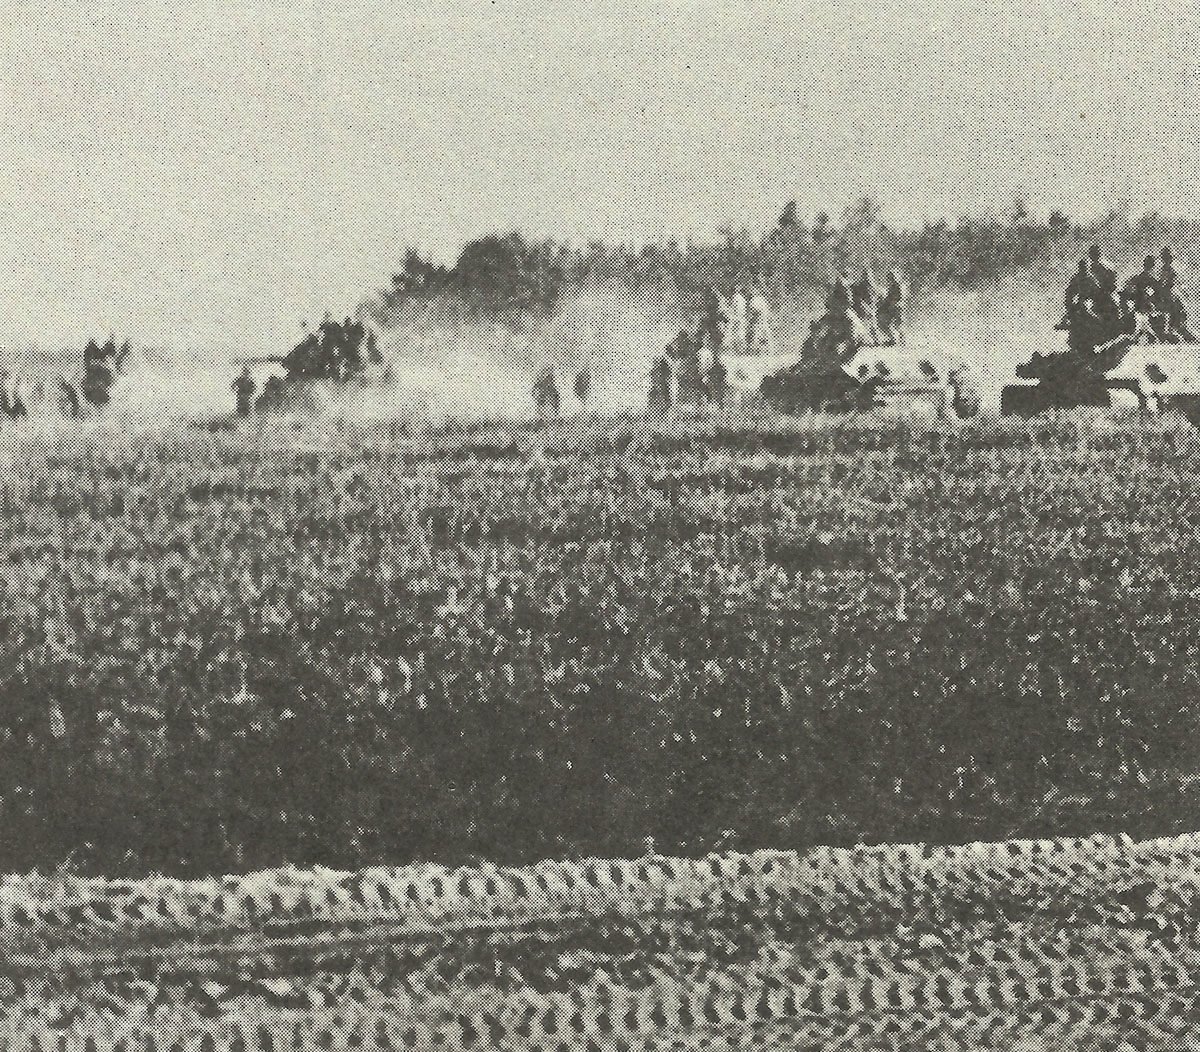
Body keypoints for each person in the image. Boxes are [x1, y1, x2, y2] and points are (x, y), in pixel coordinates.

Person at [1122, 256, 1162, 340]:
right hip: (1142, 308)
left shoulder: (1140, 278)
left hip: (1143, 308)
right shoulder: (1147, 279)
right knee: (1141, 329)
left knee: (1142, 328)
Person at [851, 267, 882, 344]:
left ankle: (874, 340)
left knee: (869, 324)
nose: (866, 276)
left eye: (867, 275)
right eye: (865, 275)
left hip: (868, 307)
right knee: (866, 324)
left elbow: (877, 297)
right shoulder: (864, 285)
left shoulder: (870, 286)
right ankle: (870, 340)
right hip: (866, 306)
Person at [745, 279, 775, 355]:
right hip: (763, 319)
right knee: (765, 334)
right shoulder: (762, 299)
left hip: (759, 320)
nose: (752, 291)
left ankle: (757, 350)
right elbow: (766, 310)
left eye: (753, 290)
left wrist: (752, 319)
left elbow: (756, 311)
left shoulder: (755, 300)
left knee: (758, 334)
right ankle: (769, 349)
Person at [878, 270, 906, 345]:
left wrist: (886, 301)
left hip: (895, 307)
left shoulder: (896, 286)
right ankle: (895, 339)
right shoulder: (893, 286)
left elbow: (897, 298)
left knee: (894, 324)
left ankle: (897, 339)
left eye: (889, 278)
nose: (888, 280)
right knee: (893, 324)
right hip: (894, 307)